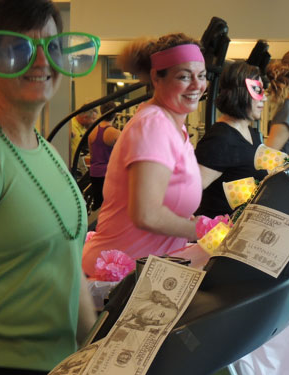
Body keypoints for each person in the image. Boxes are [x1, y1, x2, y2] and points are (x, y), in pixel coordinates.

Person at [0, 0, 99, 375]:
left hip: (58, 371)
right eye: (18, 48)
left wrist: (93, 349)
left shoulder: (43, 148)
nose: (42, 61)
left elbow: (69, 267)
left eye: (52, 47)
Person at [82, 33, 207, 277]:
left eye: (201, 76)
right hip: (120, 277)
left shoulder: (175, 126)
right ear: (156, 78)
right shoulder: (154, 126)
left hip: (148, 269)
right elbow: (146, 215)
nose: (196, 85)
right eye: (184, 76)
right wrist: (202, 230)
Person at [195, 61, 268, 219]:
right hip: (219, 237)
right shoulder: (220, 139)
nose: (265, 99)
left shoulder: (251, 133)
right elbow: (189, 194)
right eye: (258, 91)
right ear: (240, 93)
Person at [88, 101, 120, 210]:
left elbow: (92, 156)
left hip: (94, 174)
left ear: (102, 112)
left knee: (97, 205)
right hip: (108, 175)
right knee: (109, 207)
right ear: (115, 114)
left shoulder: (91, 132)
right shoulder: (115, 133)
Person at [71, 106, 98, 175]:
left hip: (78, 166)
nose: (95, 122)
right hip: (69, 167)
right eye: (93, 119)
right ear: (85, 117)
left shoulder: (83, 127)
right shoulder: (70, 126)